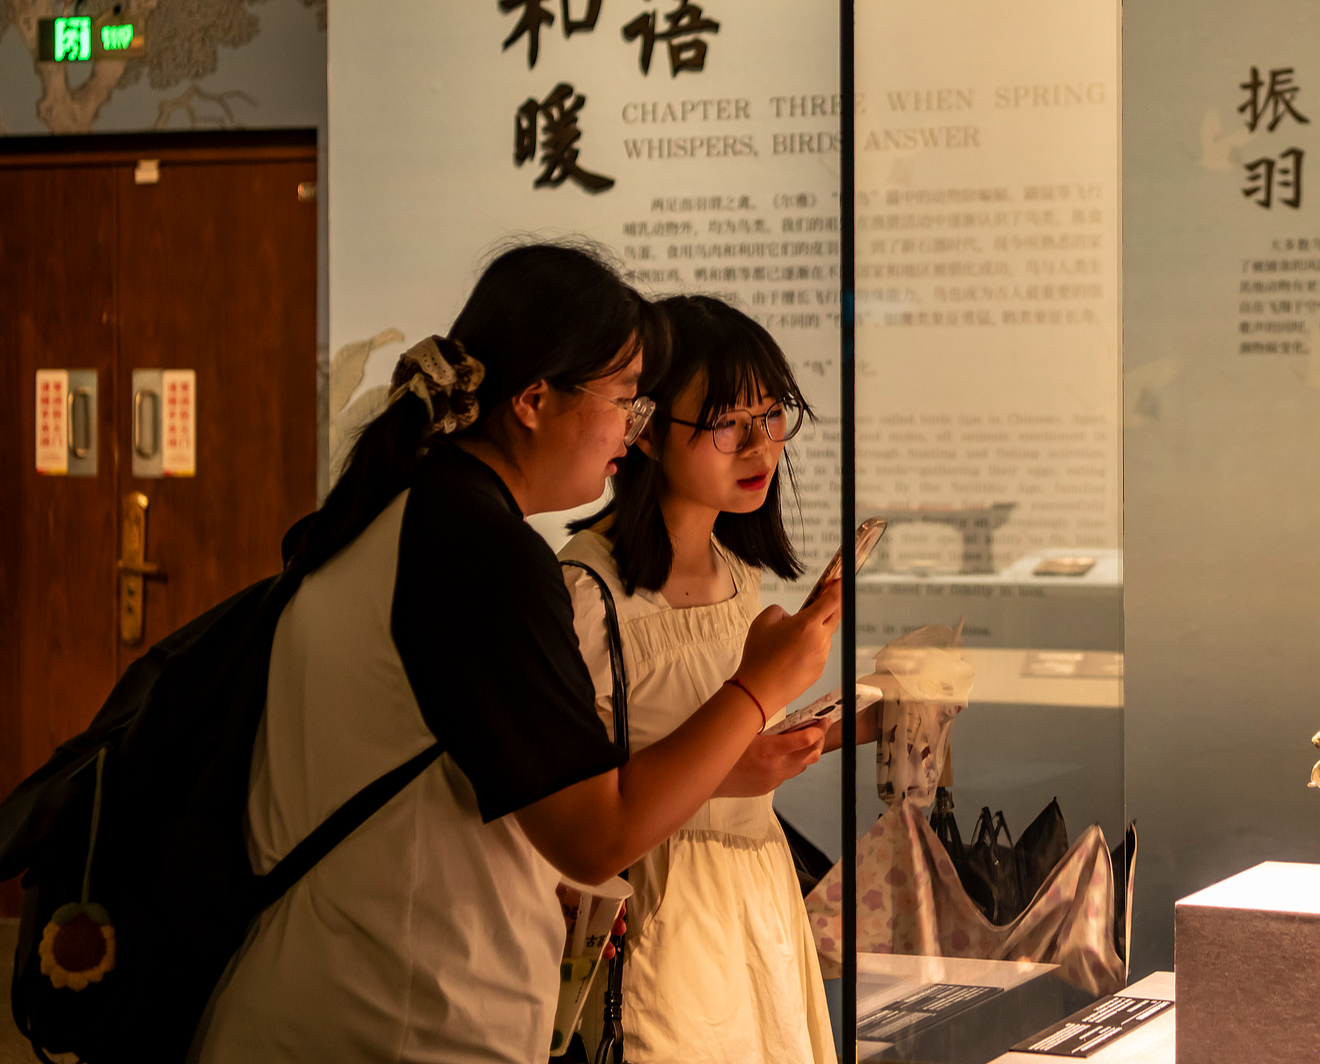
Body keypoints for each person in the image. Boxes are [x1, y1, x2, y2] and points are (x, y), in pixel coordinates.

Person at [193, 244, 842, 1063]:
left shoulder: (404, 512)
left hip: (339, 995)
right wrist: (757, 684)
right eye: (622, 400)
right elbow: (594, 835)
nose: (630, 429)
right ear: (534, 400)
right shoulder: (482, 553)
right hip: (397, 1015)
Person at [558, 295, 855, 1064]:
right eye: (728, 423)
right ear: (647, 429)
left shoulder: (737, 577)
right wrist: (731, 768)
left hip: (757, 895)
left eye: (773, 414)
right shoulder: (588, 592)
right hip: (658, 907)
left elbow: (745, 744)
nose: (761, 446)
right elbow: (562, 800)